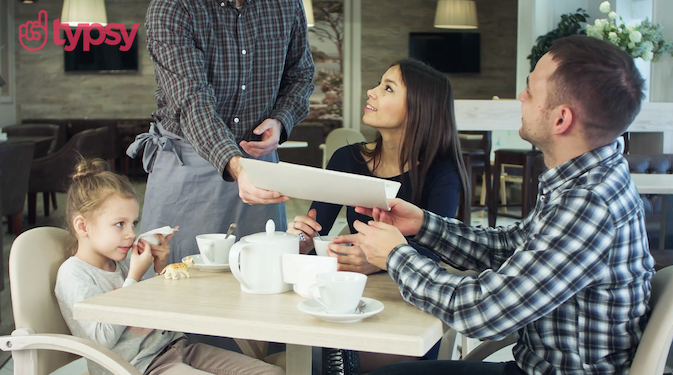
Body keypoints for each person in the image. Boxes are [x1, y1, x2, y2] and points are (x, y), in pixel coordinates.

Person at [347, 35, 655, 375]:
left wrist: (395, 256)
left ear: (561, 119)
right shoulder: (583, 180)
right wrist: (423, 225)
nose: (520, 97)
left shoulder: (589, 204)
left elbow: (482, 311)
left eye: (530, 92)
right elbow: (510, 247)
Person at [127, 0, 315, 266]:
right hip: (188, 167)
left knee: (261, 276)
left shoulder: (286, 4)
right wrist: (236, 166)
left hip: (258, 168)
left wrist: (281, 120)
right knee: (175, 283)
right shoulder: (172, 7)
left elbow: (301, 75)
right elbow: (192, 101)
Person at [55, 158, 284, 375]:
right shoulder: (74, 274)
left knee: (274, 373)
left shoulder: (123, 262)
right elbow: (101, 339)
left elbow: (159, 311)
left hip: (178, 349)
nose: (131, 234)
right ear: (82, 226)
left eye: (133, 223)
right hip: (140, 367)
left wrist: (160, 268)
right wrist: (134, 277)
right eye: (119, 224)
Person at [288, 59, 469, 276]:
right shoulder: (346, 159)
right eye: (379, 84)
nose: (371, 91)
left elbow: (440, 250)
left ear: (419, 107)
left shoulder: (443, 171)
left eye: (388, 88)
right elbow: (317, 232)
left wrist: (381, 261)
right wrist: (302, 242)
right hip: (354, 287)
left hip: (411, 291)